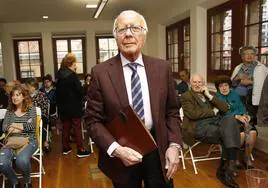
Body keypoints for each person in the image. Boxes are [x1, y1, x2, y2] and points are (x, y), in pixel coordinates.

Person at [85, 10, 182, 188]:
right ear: (115, 36)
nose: (128, 34)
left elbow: (172, 112)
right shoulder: (100, 73)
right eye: (122, 30)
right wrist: (117, 150)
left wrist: (174, 145)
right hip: (122, 151)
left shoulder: (163, 68)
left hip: (158, 148)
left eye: (135, 28)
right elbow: (92, 120)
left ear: (144, 33)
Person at [180, 74, 240, 188]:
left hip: (214, 124)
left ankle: (227, 167)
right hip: (198, 127)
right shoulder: (186, 96)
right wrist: (213, 112)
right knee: (228, 131)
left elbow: (225, 108)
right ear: (190, 83)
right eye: (194, 82)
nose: (197, 84)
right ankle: (228, 167)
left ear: (203, 84)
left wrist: (208, 95)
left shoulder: (207, 95)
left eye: (199, 82)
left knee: (230, 119)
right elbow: (193, 114)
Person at [0, 84, 38, 188]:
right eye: (13, 95)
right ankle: (14, 181)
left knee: (21, 161)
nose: (14, 97)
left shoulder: (31, 109)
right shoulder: (9, 111)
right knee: (1, 163)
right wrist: (22, 126)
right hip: (11, 141)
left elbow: (31, 126)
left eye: (18, 95)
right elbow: (4, 128)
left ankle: (27, 181)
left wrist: (14, 125)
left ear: (24, 96)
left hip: (30, 141)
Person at [215, 75, 257, 169]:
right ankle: (235, 159)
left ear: (229, 86)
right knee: (241, 135)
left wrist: (246, 115)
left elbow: (241, 107)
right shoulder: (216, 97)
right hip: (227, 121)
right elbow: (222, 113)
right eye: (221, 86)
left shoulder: (234, 94)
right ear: (218, 88)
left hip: (240, 119)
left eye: (226, 85)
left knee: (253, 133)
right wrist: (236, 116)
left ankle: (246, 157)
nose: (224, 88)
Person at [56, 52, 90, 158]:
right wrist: (85, 86)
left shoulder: (60, 75)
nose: (76, 64)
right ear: (71, 63)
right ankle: (80, 150)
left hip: (63, 107)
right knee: (77, 127)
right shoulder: (72, 76)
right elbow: (80, 91)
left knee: (65, 127)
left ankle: (66, 148)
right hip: (74, 106)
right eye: (75, 62)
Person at [231, 45, 268, 127]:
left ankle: (248, 130)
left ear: (255, 55)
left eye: (252, 54)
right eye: (246, 54)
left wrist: (251, 82)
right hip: (237, 96)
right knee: (236, 117)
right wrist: (237, 78)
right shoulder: (238, 67)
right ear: (242, 56)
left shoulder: (261, 68)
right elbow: (231, 84)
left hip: (250, 97)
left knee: (248, 119)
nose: (249, 56)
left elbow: (265, 85)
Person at [25, 78, 50, 152]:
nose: (27, 88)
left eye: (28, 87)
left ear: (34, 87)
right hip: (28, 117)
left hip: (41, 116)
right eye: (27, 86)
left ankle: (44, 142)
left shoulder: (42, 95)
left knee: (38, 123)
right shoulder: (26, 96)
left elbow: (44, 108)